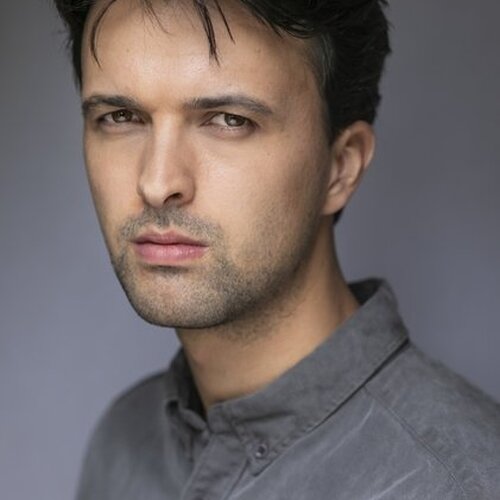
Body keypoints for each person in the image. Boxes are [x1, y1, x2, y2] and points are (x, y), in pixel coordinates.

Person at [53, 0, 500, 498]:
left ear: (341, 168)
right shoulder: (123, 443)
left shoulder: (463, 484)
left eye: (229, 120)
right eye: (120, 116)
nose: (157, 183)